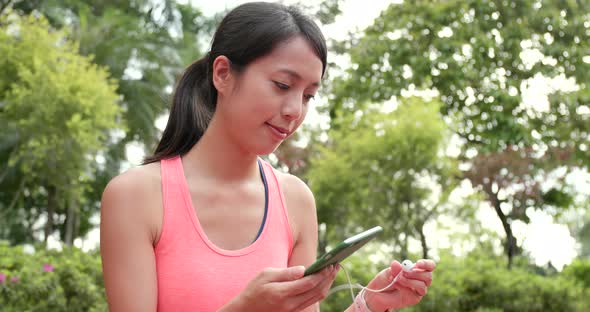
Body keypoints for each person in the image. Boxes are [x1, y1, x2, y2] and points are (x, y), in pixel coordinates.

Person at [100, 2, 435, 311]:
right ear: (222, 74)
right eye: (281, 85)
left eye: (308, 96)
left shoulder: (296, 201)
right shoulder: (136, 197)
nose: (294, 111)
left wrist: (371, 304)